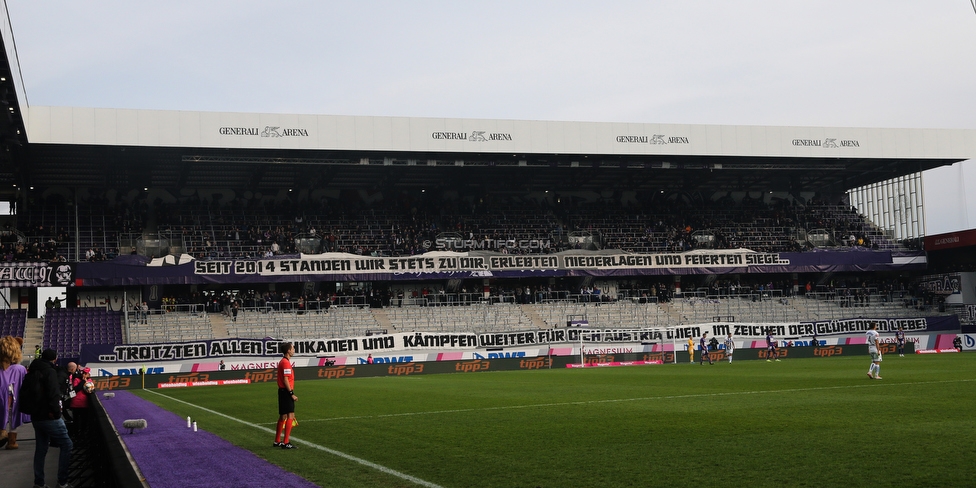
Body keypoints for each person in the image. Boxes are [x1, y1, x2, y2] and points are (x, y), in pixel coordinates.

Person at [27, 348, 73, 488]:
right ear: (55, 359)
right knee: (67, 445)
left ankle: (39, 483)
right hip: (49, 416)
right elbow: (53, 394)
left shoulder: (32, 371)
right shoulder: (50, 372)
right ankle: (62, 482)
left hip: (36, 416)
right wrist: (57, 413)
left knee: (41, 449)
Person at [1, 336, 28, 449]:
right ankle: (11, 441)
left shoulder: (17, 369)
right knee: (13, 417)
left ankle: (4, 434)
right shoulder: (19, 369)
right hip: (13, 399)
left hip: (6, 399)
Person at [273, 342, 298, 449]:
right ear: (288, 350)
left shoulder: (282, 361)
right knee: (290, 416)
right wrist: (291, 394)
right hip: (286, 392)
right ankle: (286, 442)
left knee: (283, 416)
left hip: (282, 391)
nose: (293, 350)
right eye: (292, 348)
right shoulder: (286, 363)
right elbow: (286, 379)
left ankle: (277, 441)